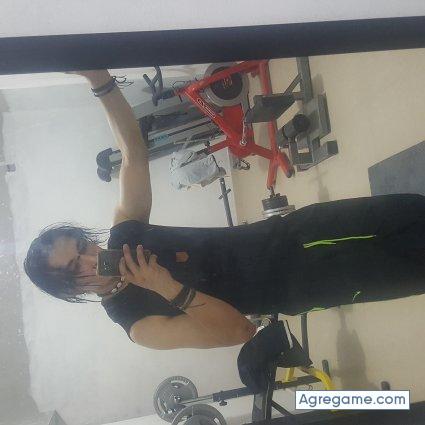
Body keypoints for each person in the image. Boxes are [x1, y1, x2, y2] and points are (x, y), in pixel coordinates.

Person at [24, 70, 425, 350]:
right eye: (76, 268)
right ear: (72, 289)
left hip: (298, 229)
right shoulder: (137, 323)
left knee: (410, 210)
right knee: (414, 266)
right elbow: (239, 332)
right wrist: (164, 285)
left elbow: (133, 154)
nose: (91, 259)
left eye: (82, 247)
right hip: (310, 283)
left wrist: (99, 80)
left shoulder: (126, 233)